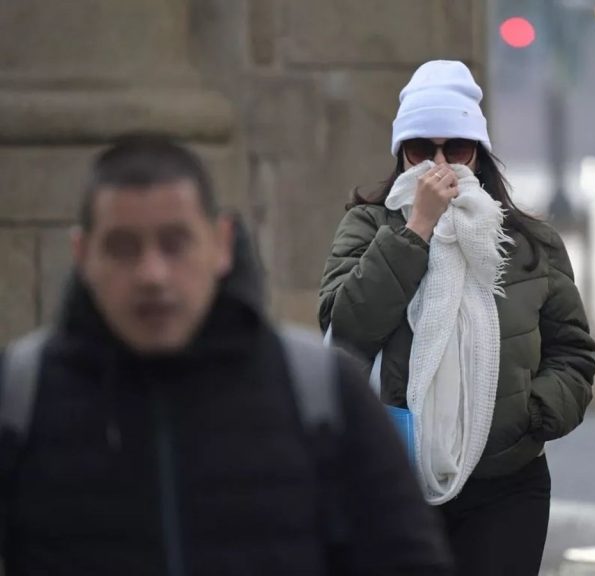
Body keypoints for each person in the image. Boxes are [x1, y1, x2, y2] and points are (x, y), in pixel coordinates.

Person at [0, 135, 452, 576]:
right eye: (122, 248)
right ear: (82, 254)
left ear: (220, 243)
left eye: (175, 243)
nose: (152, 274)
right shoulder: (21, 400)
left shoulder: (320, 394)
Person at [319, 60, 595, 576]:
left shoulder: (529, 243)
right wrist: (416, 228)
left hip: (506, 485)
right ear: (402, 153)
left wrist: (529, 415)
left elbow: (573, 353)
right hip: (392, 482)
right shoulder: (367, 225)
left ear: (480, 155)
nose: (441, 164)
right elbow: (346, 330)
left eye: (458, 149)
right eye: (423, 150)